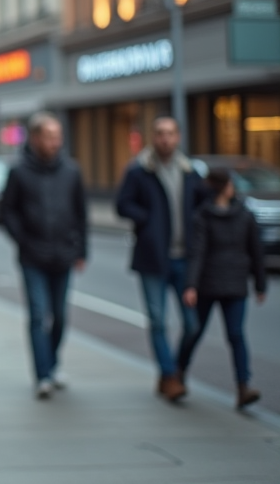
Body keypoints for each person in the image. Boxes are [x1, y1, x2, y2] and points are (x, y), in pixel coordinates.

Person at [115, 116, 204, 402]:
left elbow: (204, 205)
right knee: (157, 320)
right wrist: (148, 221)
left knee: (192, 325)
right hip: (153, 258)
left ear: (178, 137)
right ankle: (167, 376)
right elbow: (122, 204)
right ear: (154, 137)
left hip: (185, 259)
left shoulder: (190, 171)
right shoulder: (140, 170)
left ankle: (177, 369)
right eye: (160, 134)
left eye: (170, 134)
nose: (165, 139)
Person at [0, 112, 88, 400]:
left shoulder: (71, 171)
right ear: (35, 138)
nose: (55, 142)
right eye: (49, 136)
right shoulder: (19, 171)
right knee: (39, 315)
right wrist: (22, 240)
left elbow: (81, 213)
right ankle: (42, 375)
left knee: (60, 316)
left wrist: (81, 249)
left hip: (63, 254)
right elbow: (7, 211)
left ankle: (52, 362)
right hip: (33, 256)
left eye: (58, 137)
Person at [177, 168, 268, 409]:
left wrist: (260, 283)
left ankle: (243, 386)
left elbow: (255, 252)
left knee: (236, 335)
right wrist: (192, 286)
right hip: (208, 284)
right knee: (195, 331)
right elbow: (197, 253)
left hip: (235, 283)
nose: (233, 187)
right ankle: (178, 373)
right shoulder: (203, 217)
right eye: (230, 183)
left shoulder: (244, 215)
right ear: (222, 187)